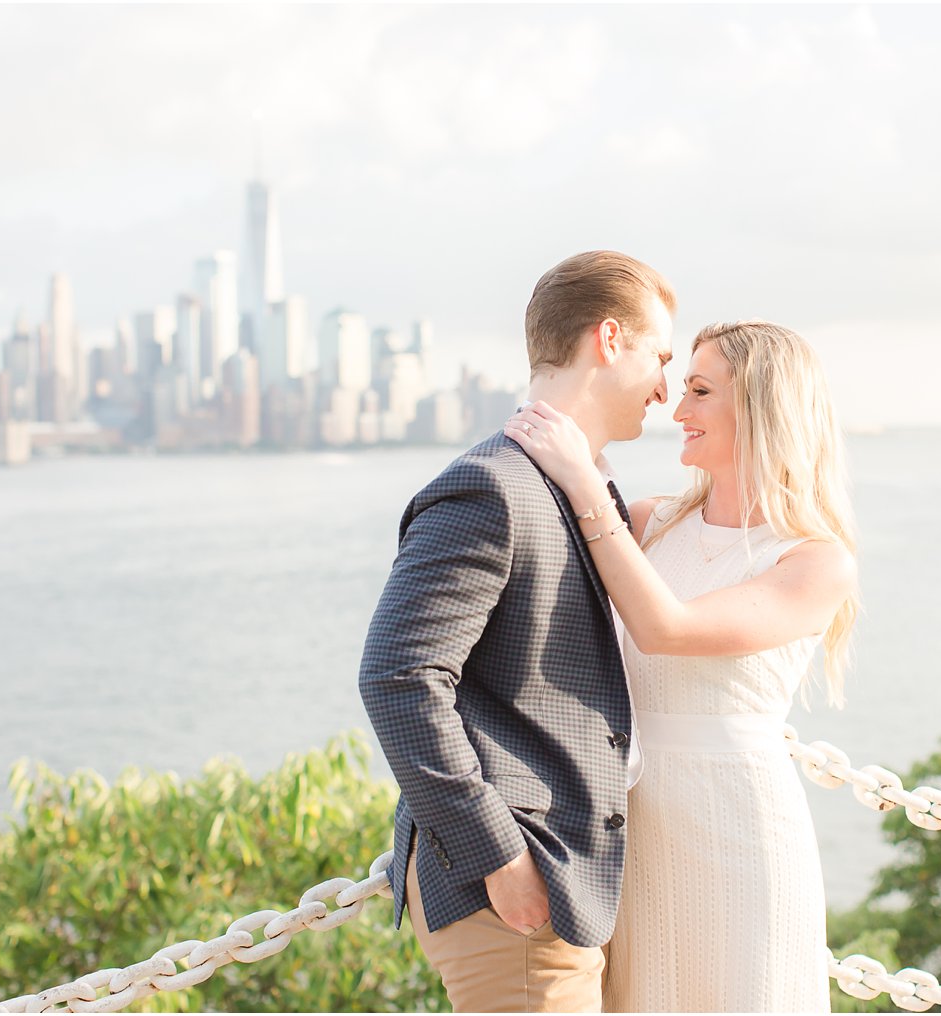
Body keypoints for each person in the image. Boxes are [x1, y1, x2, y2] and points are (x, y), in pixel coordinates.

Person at [505, 319, 859, 1013]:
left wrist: (582, 478)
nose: (678, 411)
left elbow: (667, 628)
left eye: (699, 391)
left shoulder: (815, 560)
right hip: (627, 824)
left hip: (740, 828)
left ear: (761, 406)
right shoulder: (645, 523)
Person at [358, 250, 676, 1012]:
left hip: (568, 877)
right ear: (609, 340)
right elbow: (397, 678)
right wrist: (498, 854)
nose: (665, 388)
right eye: (659, 357)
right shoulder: (493, 487)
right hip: (518, 891)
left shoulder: (577, 481)